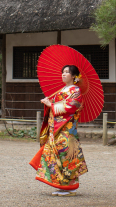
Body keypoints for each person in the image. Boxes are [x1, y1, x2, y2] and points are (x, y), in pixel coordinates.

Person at [29, 65, 88, 196]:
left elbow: (72, 106)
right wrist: (48, 103)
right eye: (63, 72)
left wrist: (52, 105)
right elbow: (55, 106)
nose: (63, 74)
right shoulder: (63, 90)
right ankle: (61, 185)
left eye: (67, 72)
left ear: (74, 76)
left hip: (67, 129)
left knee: (67, 155)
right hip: (57, 128)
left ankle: (70, 187)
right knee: (56, 154)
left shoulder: (76, 91)